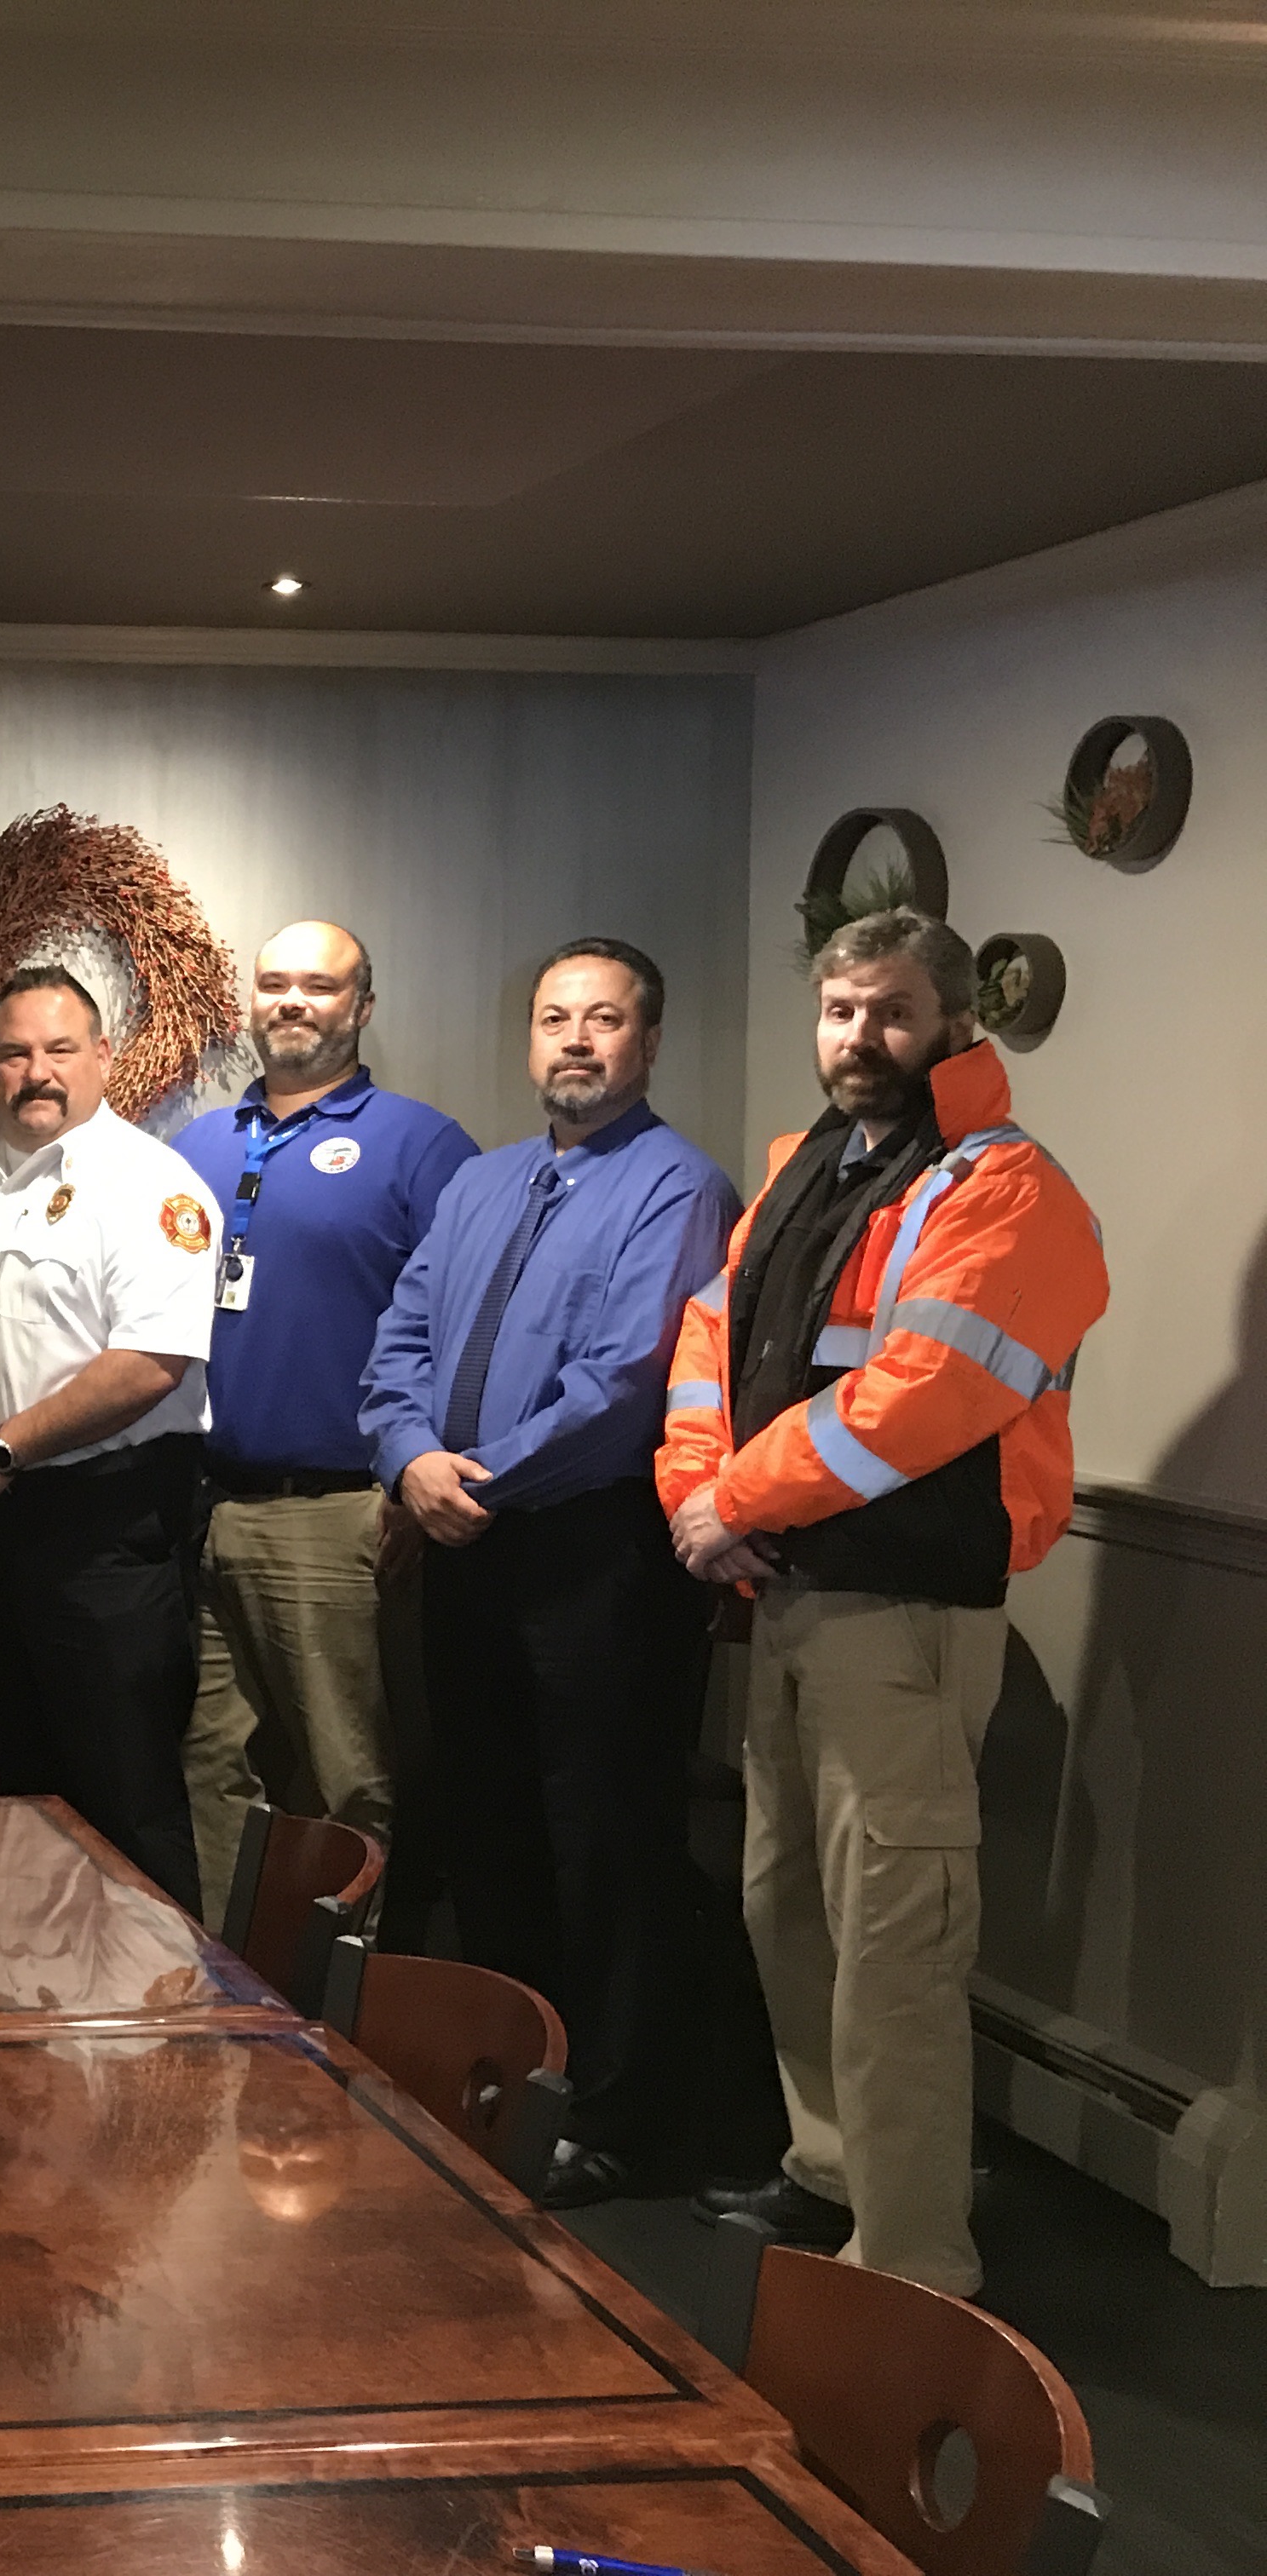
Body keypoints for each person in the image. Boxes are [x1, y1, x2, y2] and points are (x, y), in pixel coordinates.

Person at [658, 910, 1104, 2294]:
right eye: (840, 1008)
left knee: (895, 1942)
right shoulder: (806, 1167)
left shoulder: (1003, 1185)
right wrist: (697, 1495)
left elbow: (917, 1398)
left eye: (892, 1011)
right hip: (786, 1595)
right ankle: (827, 2170)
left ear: (955, 1022)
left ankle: (910, 2263)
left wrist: (738, 1499)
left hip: (902, 1616)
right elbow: (708, 1351)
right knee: (785, 1904)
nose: (860, 1036)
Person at [361, 938, 740, 2208]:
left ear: (648, 1041)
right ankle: (512, 2079)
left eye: (605, 1019)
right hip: (465, 1543)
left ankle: (619, 2120)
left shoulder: (677, 1187)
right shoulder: (482, 1183)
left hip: (594, 1559)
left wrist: (475, 1482)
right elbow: (401, 1336)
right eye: (554, 1018)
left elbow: (627, 1385)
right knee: (490, 1826)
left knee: (606, 1843)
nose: (576, 1040)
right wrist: (411, 1458)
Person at [0, 965, 222, 1909]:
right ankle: (11, 2029)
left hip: (103, 1530)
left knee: (123, 1800)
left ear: (104, 1059)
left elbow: (152, 1363)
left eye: (58, 1050)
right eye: (14, 1053)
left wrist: (2, 1451)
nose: (36, 1072)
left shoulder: (152, 1185)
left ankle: (159, 2040)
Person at [170, 921, 474, 1900]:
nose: (293, 1002)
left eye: (319, 985)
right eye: (274, 984)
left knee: (354, 1783)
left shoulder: (420, 1145)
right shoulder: (198, 1145)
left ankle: (354, 2011)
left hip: (343, 1513)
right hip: (205, 1510)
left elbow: (467, 1330)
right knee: (213, 1770)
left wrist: (418, 1476)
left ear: (363, 1007)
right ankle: (232, 2000)